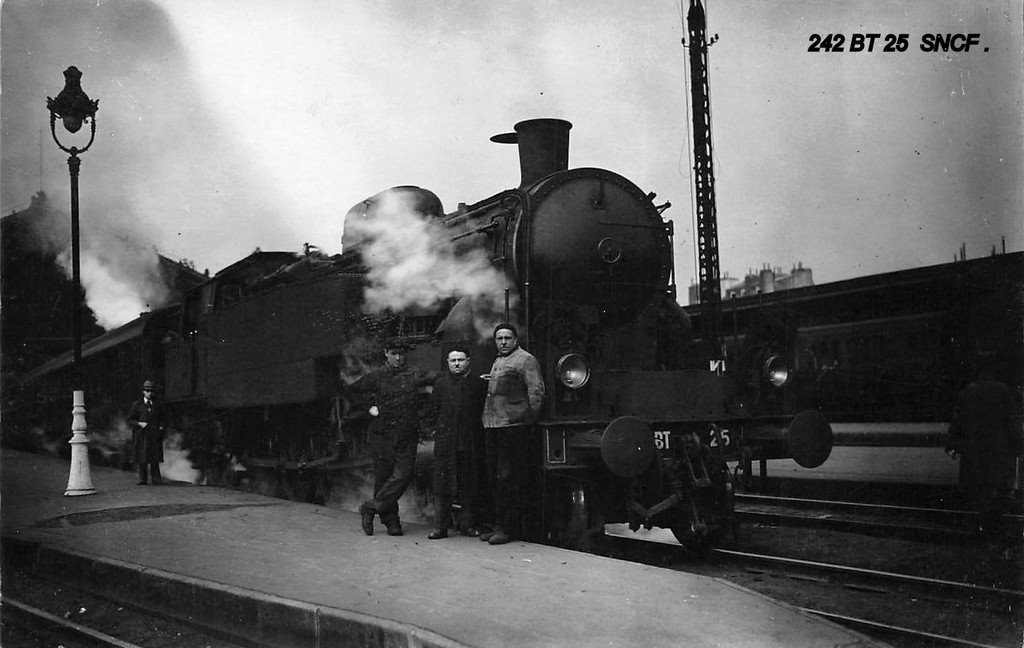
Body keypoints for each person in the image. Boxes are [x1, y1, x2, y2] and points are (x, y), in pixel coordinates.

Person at [348, 340, 435, 537]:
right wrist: (368, 408)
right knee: (383, 478)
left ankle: (371, 507)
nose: (398, 358)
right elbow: (351, 391)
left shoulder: (413, 374)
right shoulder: (376, 377)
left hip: (407, 434)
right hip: (382, 435)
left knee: (403, 475)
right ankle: (391, 522)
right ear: (386, 353)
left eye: (402, 354)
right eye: (394, 353)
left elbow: (435, 377)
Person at [945, 351, 1022, 539]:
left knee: (980, 494)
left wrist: (953, 445)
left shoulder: (967, 391)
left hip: (975, 455)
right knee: (999, 494)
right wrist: (1019, 446)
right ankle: (996, 532)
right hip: (1000, 454)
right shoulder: (1004, 391)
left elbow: (957, 424)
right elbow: (1013, 423)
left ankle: (984, 531)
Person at [480, 324, 545, 545]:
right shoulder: (499, 361)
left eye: (508, 338)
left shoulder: (526, 360)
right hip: (493, 425)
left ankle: (507, 528)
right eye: (499, 338)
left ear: (516, 339)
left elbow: (536, 392)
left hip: (513, 428)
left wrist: (526, 421)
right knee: (495, 478)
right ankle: (498, 525)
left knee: (509, 479)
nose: (504, 342)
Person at [429, 345, 489, 539]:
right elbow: (434, 410)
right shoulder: (441, 383)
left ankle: (467, 525)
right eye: (453, 360)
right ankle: (440, 527)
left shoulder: (478, 384)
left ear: (468, 361)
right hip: (447, 442)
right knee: (443, 484)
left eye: (460, 360)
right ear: (448, 362)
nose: (456, 364)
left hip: (470, 441)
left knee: (470, 484)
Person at [128, 380, 165, 485]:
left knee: (155, 458)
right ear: (143, 392)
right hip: (142, 435)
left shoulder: (158, 404)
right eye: (147, 391)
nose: (150, 393)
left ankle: (156, 479)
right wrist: (139, 423)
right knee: (142, 458)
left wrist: (161, 427)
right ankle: (142, 479)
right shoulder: (136, 405)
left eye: (151, 391)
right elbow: (130, 420)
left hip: (154, 434)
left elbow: (163, 418)